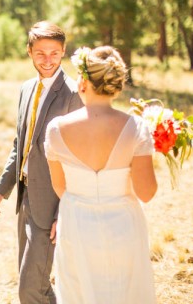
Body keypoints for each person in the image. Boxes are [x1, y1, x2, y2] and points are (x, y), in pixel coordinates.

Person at [44, 46, 158, 303]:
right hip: (123, 226)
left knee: (78, 293)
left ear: (83, 82)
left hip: (76, 224)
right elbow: (147, 193)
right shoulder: (136, 127)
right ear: (116, 86)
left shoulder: (55, 130)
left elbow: (60, 187)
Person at [0, 21, 83, 304]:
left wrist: (65, 209)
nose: (48, 59)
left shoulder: (74, 95)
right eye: (40, 53)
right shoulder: (26, 89)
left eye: (54, 53)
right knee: (31, 282)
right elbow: (21, 144)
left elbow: (77, 159)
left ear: (63, 52)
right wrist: (1, 189)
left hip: (53, 201)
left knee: (30, 288)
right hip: (25, 198)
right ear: (29, 52)